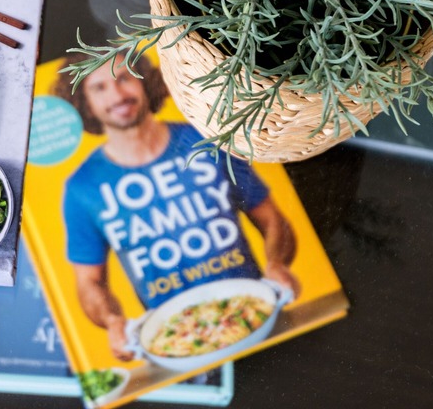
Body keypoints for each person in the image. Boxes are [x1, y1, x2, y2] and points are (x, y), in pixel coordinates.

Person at [55, 55, 299, 361]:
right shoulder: (82, 188)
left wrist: (276, 263)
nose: (117, 95)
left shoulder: (207, 137)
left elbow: (272, 219)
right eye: (99, 88)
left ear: (145, 81)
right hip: (175, 343)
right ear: (84, 103)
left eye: (125, 78)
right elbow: (88, 283)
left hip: (256, 317)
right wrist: (112, 322)